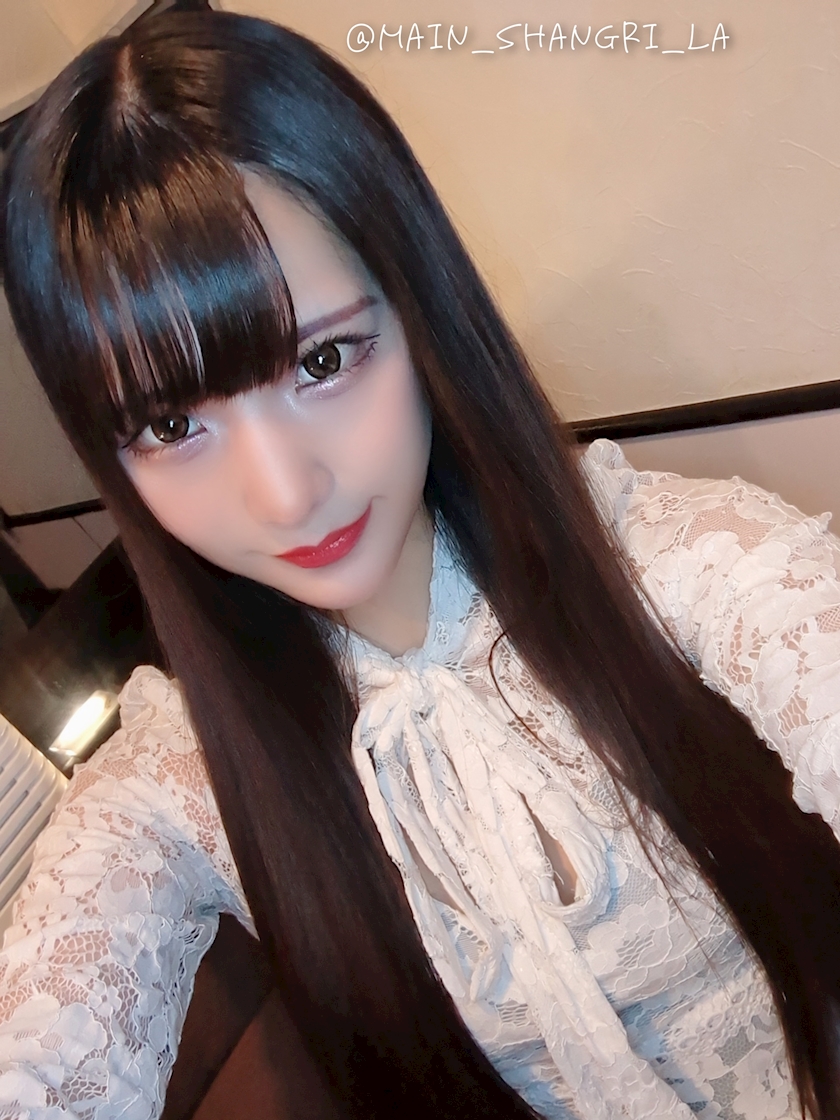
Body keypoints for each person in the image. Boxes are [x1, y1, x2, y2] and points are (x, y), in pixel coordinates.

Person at [0, 8, 839, 1120]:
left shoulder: (681, 565)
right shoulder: (177, 782)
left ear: (419, 307)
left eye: (322, 360)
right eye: (169, 426)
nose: (284, 494)